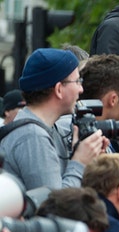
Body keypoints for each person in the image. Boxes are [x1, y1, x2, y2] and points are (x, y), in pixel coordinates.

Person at [0, 48, 108, 190]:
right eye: (77, 81)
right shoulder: (33, 137)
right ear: (58, 89)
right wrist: (79, 162)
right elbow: (54, 206)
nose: (81, 89)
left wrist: (88, 158)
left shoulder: (45, 129)